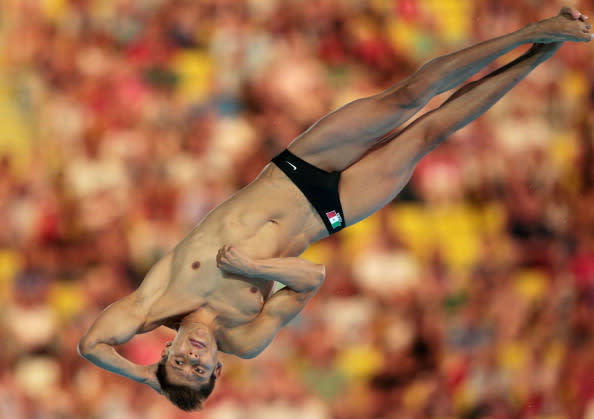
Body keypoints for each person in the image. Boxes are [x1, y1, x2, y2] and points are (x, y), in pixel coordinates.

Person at [78, 7, 592, 411]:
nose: (192, 356)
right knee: (430, 133)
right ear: (216, 369)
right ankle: (541, 54)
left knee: (407, 97)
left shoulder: (155, 302)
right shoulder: (245, 338)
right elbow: (313, 277)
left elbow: (92, 345)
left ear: (166, 352)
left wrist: (145, 379)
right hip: (331, 214)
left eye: (179, 363)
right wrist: (256, 269)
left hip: (296, 169)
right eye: (199, 368)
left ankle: (532, 30)